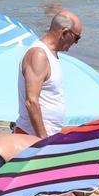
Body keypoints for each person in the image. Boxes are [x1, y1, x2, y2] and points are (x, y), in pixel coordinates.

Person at [17, 11, 81, 140]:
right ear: (64, 33)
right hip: (33, 136)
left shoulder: (52, 54)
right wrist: (43, 139)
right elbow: (31, 101)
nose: (76, 43)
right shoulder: (38, 54)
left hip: (49, 134)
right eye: (76, 38)